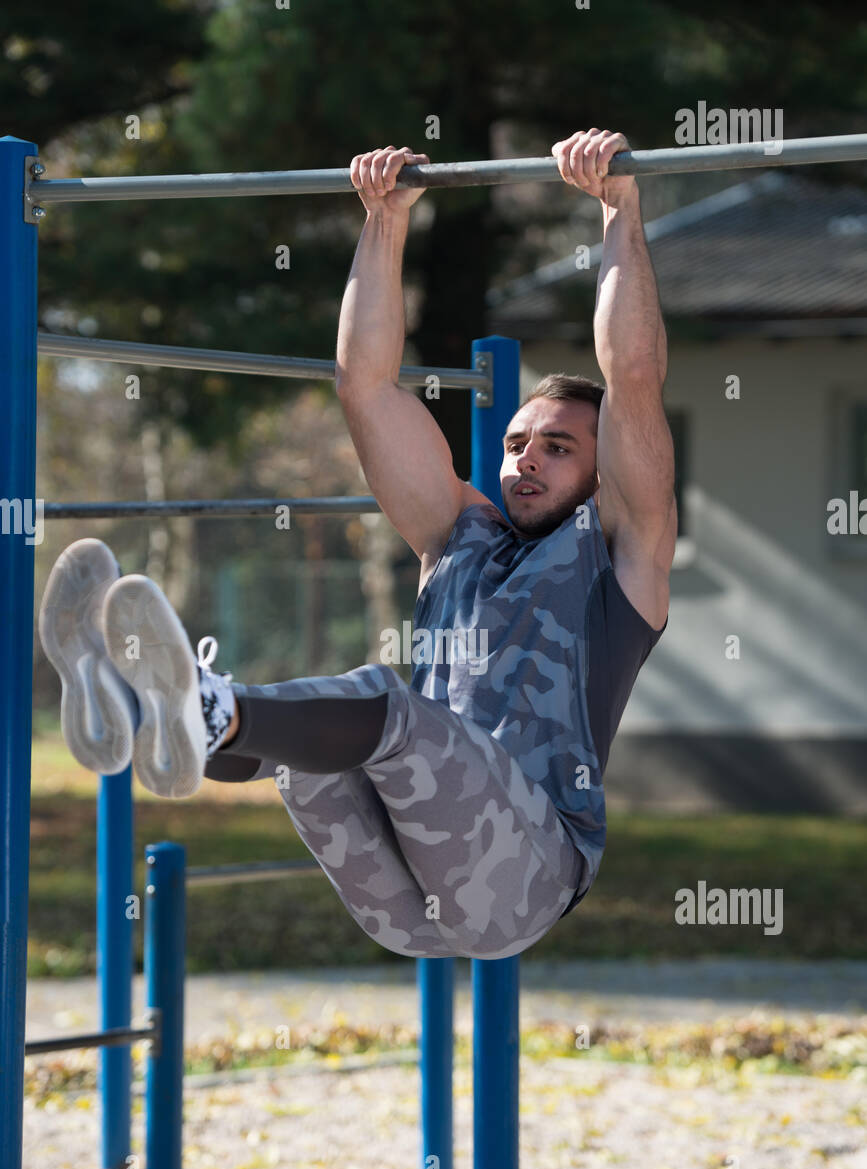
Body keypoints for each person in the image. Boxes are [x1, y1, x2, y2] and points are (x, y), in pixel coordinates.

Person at [38, 128, 676, 961]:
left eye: (558, 448)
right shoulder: (458, 535)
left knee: (383, 704)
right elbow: (364, 385)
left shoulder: (622, 554)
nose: (526, 461)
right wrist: (383, 219)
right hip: (401, 901)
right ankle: (141, 711)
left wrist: (618, 208)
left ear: (602, 474)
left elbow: (631, 375)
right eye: (517, 443)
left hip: (525, 876)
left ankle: (205, 705)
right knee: (314, 746)